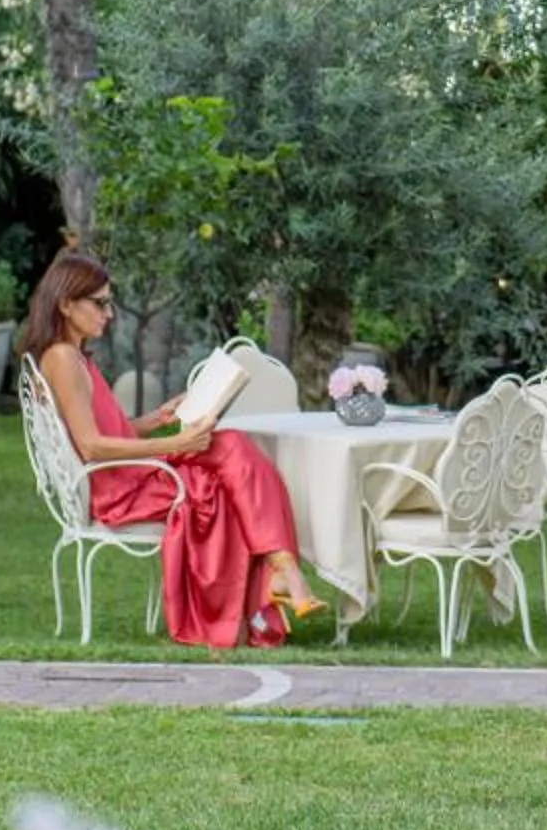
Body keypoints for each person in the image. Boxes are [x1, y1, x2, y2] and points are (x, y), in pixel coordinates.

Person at [23, 250, 325, 650]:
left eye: (108, 303)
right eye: (100, 303)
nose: (109, 314)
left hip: (130, 474)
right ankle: (278, 576)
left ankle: (279, 573)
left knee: (230, 450)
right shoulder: (62, 358)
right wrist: (176, 443)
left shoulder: (72, 356)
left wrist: (156, 419)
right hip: (119, 491)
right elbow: (92, 446)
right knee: (228, 465)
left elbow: (106, 429)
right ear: (65, 303)